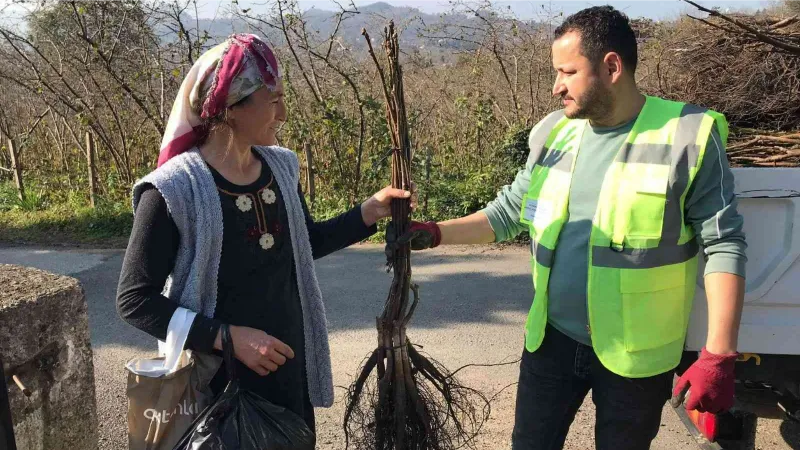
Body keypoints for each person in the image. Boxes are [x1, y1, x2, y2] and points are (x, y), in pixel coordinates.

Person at [390, 6, 747, 450]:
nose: (556, 86)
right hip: (552, 343)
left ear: (611, 67)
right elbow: (507, 213)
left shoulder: (688, 135)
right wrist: (435, 233)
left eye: (568, 72)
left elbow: (724, 244)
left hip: (635, 358)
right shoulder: (554, 133)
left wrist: (718, 355)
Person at [116, 33, 411, 437]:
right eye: (274, 100)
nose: (284, 113)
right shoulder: (173, 190)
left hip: (288, 370)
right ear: (231, 106)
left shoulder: (282, 167)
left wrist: (367, 212)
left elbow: (304, 243)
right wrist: (227, 337)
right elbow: (134, 300)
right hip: (218, 387)